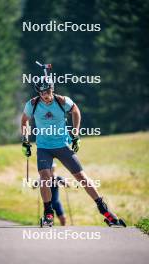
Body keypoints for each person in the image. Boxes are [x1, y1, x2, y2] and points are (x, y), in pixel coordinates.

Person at [21, 76, 125, 226]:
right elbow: (24, 120)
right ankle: (48, 214)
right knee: (45, 177)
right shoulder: (32, 104)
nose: (45, 95)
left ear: (52, 89)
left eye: (48, 91)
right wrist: (25, 141)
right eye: (42, 92)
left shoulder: (62, 101)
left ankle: (105, 211)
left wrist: (75, 134)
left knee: (81, 177)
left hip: (62, 145)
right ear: (38, 93)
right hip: (44, 147)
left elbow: (76, 111)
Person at [33, 162, 68, 226]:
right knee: (49, 221)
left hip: (56, 202)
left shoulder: (57, 178)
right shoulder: (43, 178)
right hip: (48, 203)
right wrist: (38, 183)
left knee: (63, 218)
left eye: (53, 168)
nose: (52, 169)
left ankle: (64, 231)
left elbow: (67, 185)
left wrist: (64, 183)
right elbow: (34, 186)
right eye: (51, 168)